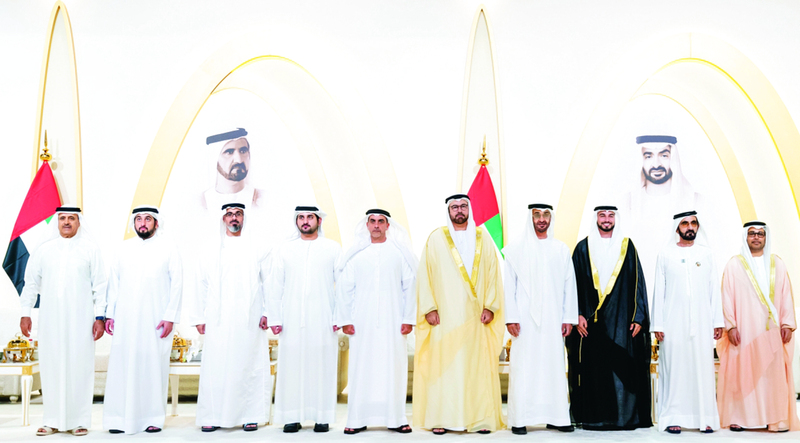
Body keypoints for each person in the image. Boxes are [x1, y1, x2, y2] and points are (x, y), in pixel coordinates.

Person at [412, 194, 505, 434]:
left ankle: (479, 420)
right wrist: (429, 308)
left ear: (469, 209)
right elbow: (424, 275)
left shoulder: (483, 238)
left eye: (463, 206)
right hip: (444, 317)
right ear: (448, 211)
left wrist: (490, 306)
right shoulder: (435, 239)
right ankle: (442, 420)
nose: (459, 210)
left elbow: (493, 274)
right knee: (444, 367)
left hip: (476, 317)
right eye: (454, 207)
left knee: (476, 368)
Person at [19, 207, 107, 436]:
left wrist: (100, 317)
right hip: (50, 319)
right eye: (62, 218)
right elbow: (30, 283)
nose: (66, 222)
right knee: (51, 366)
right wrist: (25, 313)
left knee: (80, 366)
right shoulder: (44, 250)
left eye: (71, 218)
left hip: (81, 318)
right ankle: (51, 420)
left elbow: (100, 286)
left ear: (79, 222)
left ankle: (79, 421)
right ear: (57, 222)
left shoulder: (90, 249)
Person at [566, 205, 651, 430]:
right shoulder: (582, 248)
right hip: (590, 323)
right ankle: (596, 418)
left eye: (610, 215)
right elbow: (572, 284)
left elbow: (638, 283)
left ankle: (623, 418)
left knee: (622, 368)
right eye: (602, 215)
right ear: (596, 218)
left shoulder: (627, 247)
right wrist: (577, 314)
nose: (606, 219)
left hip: (622, 320)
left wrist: (638, 316)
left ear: (616, 218)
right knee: (594, 370)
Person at [335, 209, 417, 435]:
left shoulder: (399, 253)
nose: (377, 225)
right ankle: (357, 418)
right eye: (372, 221)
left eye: (381, 221)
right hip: (361, 323)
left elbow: (410, 286)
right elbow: (344, 289)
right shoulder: (356, 254)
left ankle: (396, 419)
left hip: (394, 322)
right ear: (367, 225)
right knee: (361, 368)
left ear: (388, 226)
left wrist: (409, 318)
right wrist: (345, 319)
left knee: (393, 368)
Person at [191, 203, 271, 432]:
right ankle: (212, 416)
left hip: (250, 317)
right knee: (216, 366)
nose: (234, 218)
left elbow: (269, 281)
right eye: (229, 214)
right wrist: (199, 316)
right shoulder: (210, 248)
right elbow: (200, 283)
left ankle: (250, 415)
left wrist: (268, 312)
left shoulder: (259, 247)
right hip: (218, 318)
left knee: (249, 364)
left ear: (244, 218)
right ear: (223, 219)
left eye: (238, 214)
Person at [103, 206, 182, 434]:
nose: (143, 223)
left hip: (156, 321)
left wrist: (170, 317)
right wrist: (110, 314)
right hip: (125, 320)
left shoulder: (168, 248)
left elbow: (177, 284)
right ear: (134, 223)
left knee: (152, 367)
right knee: (122, 367)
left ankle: (152, 418)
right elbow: (114, 284)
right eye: (138, 219)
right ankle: (118, 419)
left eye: (148, 219)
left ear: (156, 222)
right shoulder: (123, 249)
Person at [717, 221, 800, 432]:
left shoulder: (777, 264)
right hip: (744, 332)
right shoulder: (734, 265)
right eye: (752, 233)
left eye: (760, 234)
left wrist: (787, 324)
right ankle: (740, 418)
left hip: (771, 332)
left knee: (772, 376)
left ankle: (775, 419)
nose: (756, 237)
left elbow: (786, 295)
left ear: (765, 237)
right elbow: (726, 297)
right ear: (746, 237)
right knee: (744, 374)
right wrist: (731, 326)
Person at [504, 203, 578, 434]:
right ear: (531, 218)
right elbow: (509, 287)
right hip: (524, 322)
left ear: (551, 218)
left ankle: (556, 417)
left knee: (553, 367)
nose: (541, 219)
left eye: (546, 215)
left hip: (553, 320)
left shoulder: (560, 249)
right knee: (524, 367)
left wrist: (568, 318)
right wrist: (511, 317)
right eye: (537, 215)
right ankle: (520, 419)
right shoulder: (516, 250)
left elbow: (569, 285)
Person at [269, 205, 342, 433]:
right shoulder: (285, 249)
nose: (305, 221)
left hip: (324, 317)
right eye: (301, 217)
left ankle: (322, 417)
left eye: (310, 217)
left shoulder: (332, 248)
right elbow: (275, 285)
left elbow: (342, 285)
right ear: (296, 221)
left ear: (319, 221)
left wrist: (340, 316)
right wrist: (275, 317)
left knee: (322, 365)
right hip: (291, 318)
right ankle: (291, 417)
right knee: (291, 366)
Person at [650, 211, 724, 434]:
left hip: (702, 323)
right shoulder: (665, 254)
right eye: (685, 223)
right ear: (677, 227)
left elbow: (713, 290)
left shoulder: (706, 254)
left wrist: (717, 321)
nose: (690, 227)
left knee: (702, 369)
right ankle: (673, 417)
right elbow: (659, 291)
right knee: (676, 370)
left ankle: (705, 418)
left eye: (693, 223)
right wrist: (658, 324)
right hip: (673, 324)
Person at [622, 135, 706, 302]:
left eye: (664, 155)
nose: (656, 164)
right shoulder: (628, 202)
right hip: (638, 289)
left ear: (672, 158)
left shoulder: (693, 200)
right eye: (648, 156)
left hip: (680, 291)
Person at [201, 128, 265, 210]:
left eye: (243, 151)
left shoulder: (262, 199)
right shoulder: (202, 202)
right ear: (214, 159)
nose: (239, 160)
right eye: (229, 152)